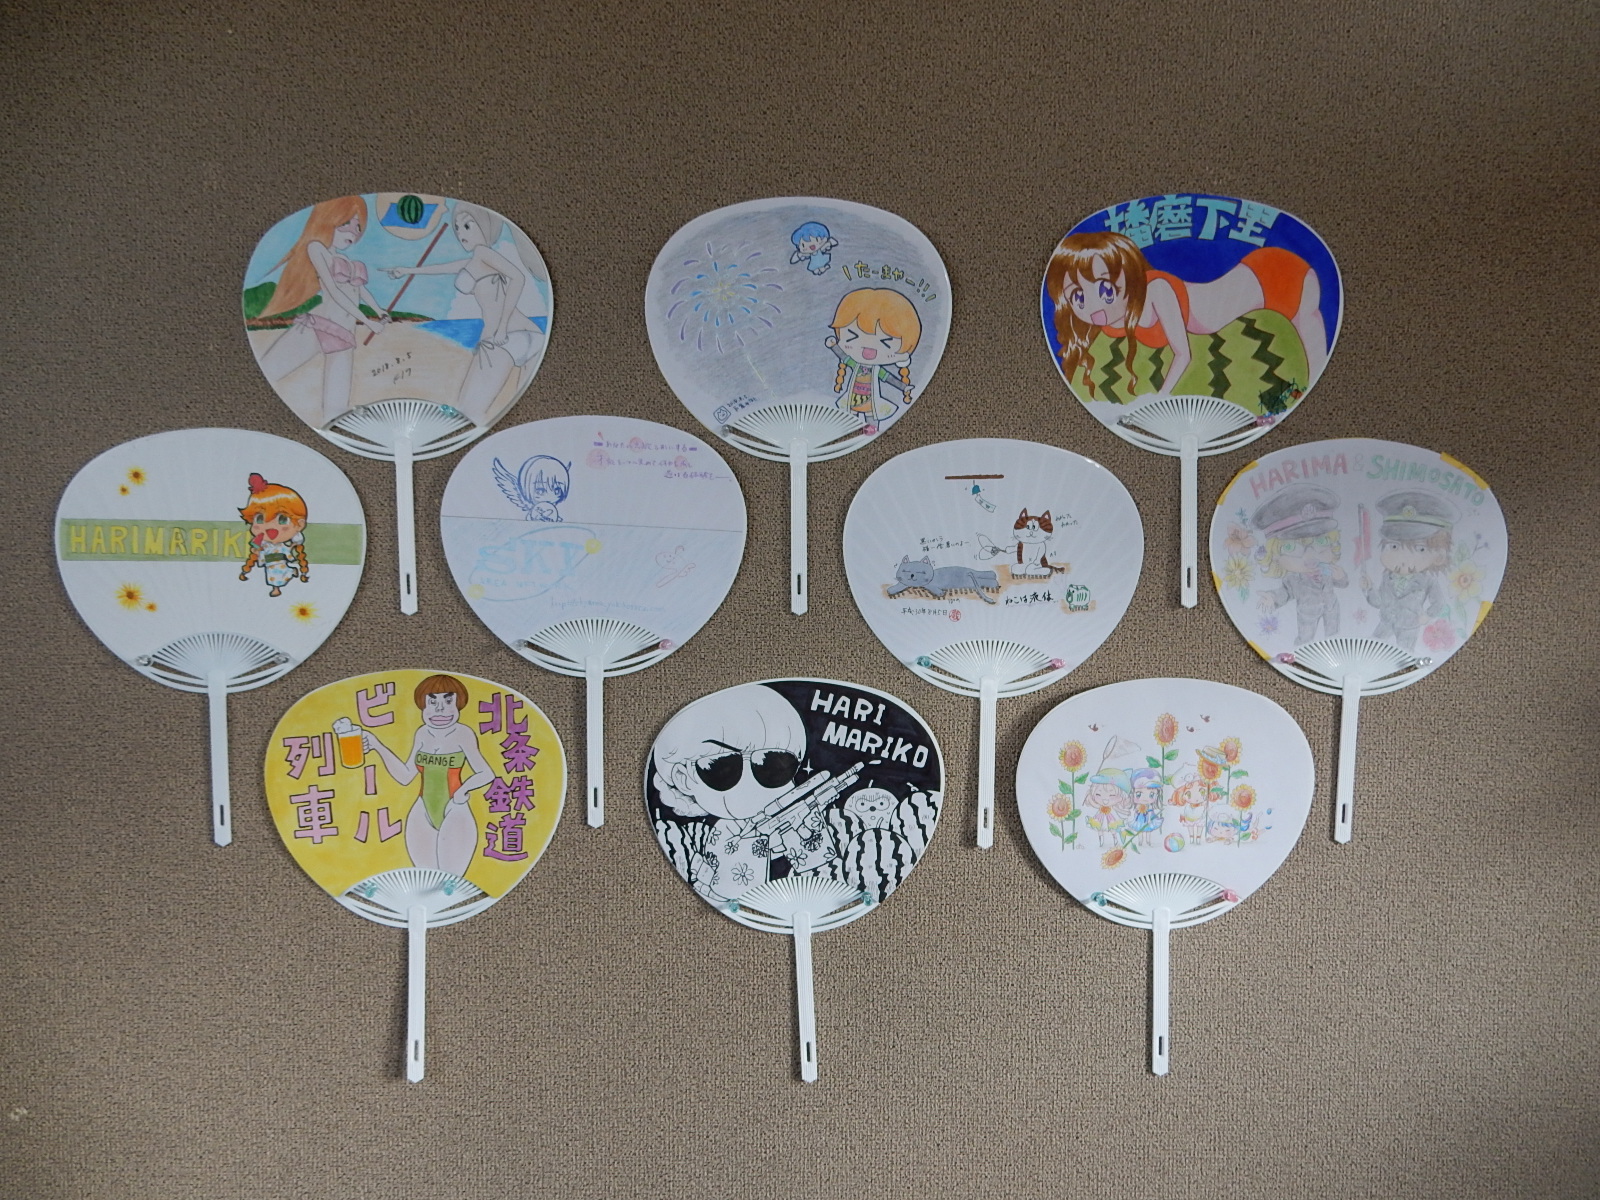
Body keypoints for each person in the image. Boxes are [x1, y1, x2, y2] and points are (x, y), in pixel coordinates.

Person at [1044, 230, 1328, 403]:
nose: (1092, 307)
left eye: (1105, 289)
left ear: (1128, 275)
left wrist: (1159, 401)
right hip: (1253, 284)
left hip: (1273, 275)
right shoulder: (1112, 321)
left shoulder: (1157, 291)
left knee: (1310, 349)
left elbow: (1184, 354)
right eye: (1077, 297)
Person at [651, 686, 836, 903]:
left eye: (772, 764)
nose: (750, 784)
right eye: (722, 767)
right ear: (684, 778)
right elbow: (733, 893)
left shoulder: (798, 819)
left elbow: (823, 880)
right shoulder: (716, 835)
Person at [384, 202, 545, 425]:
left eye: (467, 226)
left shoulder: (482, 252)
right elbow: (443, 268)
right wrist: (407, 271)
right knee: (522, 413)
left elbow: (518, 277)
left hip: (504, 337)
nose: (461, 233)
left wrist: (501, 327)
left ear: (485, 227)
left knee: (468, 411)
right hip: (531, 336)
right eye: (458, 228)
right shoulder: (478, 259)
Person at [255, 196, 390, 426]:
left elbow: (361, 291)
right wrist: (368, 322)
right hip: (319, 326)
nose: (353, 231)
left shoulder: (344, 259)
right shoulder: (317, 248)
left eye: (358, 226)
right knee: (270, 370)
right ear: (330, 220)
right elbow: (335, 292)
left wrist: (379, 311)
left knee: (337, 407)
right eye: (346, 223)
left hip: (345, 333)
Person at [364, 675, 494, 877]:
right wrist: (376, 745)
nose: (440, 709)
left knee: (452, 878)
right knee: (426, 876)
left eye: (448, 701)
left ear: (459, 703)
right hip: (422, 808)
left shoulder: (463, 733)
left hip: (455, 808)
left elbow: (486, 773)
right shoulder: (422, 734)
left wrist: (463, 790)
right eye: (432, 702)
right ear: (422, 705)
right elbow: (406, 776)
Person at [1362, 491, 1456, 651]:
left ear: (1439, 556)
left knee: (1405, 652)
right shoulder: (1387, 576)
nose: (1403, 558)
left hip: (1409, 625)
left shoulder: (1428, 580)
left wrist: (1427, 615)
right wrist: (1369, 588)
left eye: (1420, 549)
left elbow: (1439, 602)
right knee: (1372, 648)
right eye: (1394, 546)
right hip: (1386, 621)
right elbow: (1379, 602)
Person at [1253, 485, 1347, 643]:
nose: (1311, 556)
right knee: (1305, 639)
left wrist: (1341, 577)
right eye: (1292, 547)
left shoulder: (1326, 568)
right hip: (1307, 613)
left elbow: (1342, 583)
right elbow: (1286, 592)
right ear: (1274, 555)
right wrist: (1273, 597)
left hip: (1331, 608)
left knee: (1334, 636)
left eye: (1321, 542)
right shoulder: (1294, 578)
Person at [825, 288, 922, 434]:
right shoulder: (855, 364)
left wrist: (904, 387)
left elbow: (888, 378)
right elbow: (844, 357)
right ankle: (852, 429)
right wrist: (834, 346)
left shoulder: (877, 370)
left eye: (886, 342)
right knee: (851, 414)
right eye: (852, 336)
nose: (868, 348)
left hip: (871, 400)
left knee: (872, 414)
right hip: (854, 397)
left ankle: (872, 429)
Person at [237, 472, 309, 597]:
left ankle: (286, 578)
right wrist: (256, 550)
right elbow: (258, 549)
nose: (270, 527)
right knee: (271, 577)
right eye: (259, 519)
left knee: (280, 575)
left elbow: (287, 550)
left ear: (299, 525)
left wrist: (292, 547)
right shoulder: (264, 543)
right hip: (269, 563)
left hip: (280, 562)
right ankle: (282, 581)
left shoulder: (281, 546)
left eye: (282, 520)